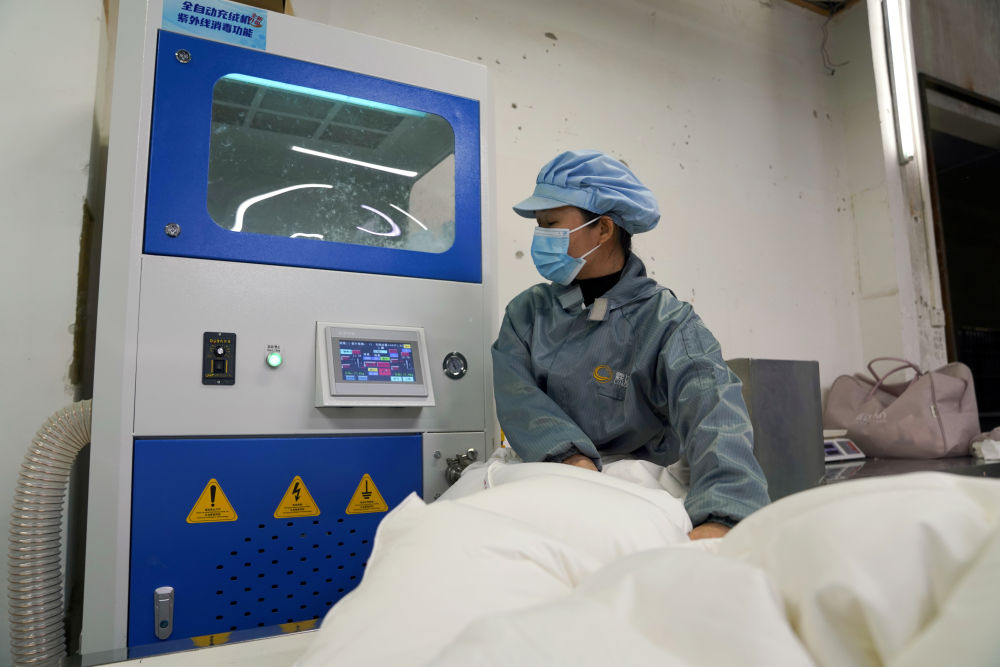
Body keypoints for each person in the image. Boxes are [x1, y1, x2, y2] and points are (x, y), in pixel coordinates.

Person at [491, 150, 770, 540]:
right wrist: (570, 457)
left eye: (551, 224)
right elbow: (517, 397)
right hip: (544, 473)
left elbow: (716, 415)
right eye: (538, 226)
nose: (541, 237)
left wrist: (723, 515)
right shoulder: (527, 313)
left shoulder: (669, 324)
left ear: (603, 229)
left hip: (637, 490)